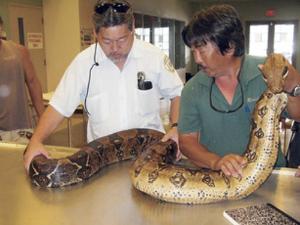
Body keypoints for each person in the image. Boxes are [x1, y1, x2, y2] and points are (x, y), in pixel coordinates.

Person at [23, 0, 183, 170]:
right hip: (102, 161)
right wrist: (36, 140)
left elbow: (177, 94)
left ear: (133, 27)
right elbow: (58, 106)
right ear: (95, 33)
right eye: (106, 41)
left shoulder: (154, 57)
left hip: (150, 157)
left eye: (122, 39)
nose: (115, 48)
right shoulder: (83, 63)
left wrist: (177, 128)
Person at [178, 4, 300, 178]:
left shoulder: (266, 72)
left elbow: (297, 115)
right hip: (217, 178)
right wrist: (216, 162)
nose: (196, 58)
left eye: (202, 50)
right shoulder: (192, 89)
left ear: (229, 46)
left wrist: (293, 86)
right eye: (193, 50)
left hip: (271, 177)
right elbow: (187, 141)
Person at [0, 16, 45, 143]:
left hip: (21, 126)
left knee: (23, 161)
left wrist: (43, 117)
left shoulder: (19, 51)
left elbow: (32, 82)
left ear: (1, 27)